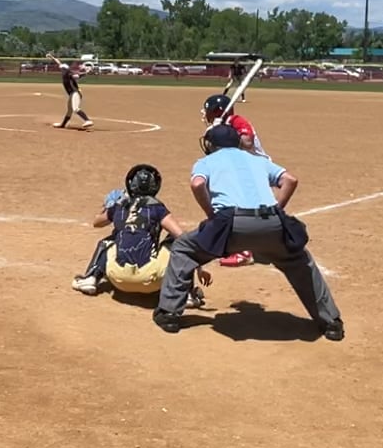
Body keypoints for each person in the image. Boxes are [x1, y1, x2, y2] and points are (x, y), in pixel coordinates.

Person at [152, 123, 343, 341]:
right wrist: (277, 210)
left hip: (230, 225)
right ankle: (331, 322)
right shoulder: (257, 160)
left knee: (184, 248)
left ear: (211, 145)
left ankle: (169, 314)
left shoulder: (206, 162)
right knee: (299, 260)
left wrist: (211, 213)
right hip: (271, 224)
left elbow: (197, 185)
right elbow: (290, 180)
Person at [71, 164, 203, 305]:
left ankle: (91, 278)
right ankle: (187, 294)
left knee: (109, 242)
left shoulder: (119, 206)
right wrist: (199, 267)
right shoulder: (157, 208)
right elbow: (183, 238)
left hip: (118, 279)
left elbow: (96, 222)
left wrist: (109, 206)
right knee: (175, 240)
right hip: (150, 279)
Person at [201, 92, 264, 268]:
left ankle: (244, 252)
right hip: (240, 169)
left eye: (209, 111)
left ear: (217, 112)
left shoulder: (237, 121)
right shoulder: (222, 125)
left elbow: (248, 143)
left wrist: (227, 131)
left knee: (241, 209)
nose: (206, 115)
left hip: (255, 170)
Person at [48, 53, 93, 130]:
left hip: (75, 93)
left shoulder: (69, 73)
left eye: (63, 68)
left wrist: (86, 73)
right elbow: (59, 63)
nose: (62, 69)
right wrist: (52, 57)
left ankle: (88, 120)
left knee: (75, 108)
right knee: (69, 110)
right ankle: (63, 125)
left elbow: (77, 76)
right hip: (72, 94)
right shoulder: (65, 71)